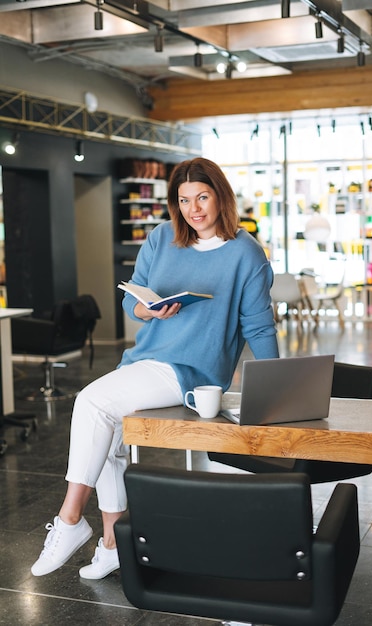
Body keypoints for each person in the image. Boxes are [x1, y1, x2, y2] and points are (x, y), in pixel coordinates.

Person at [31, 157, 279, 580]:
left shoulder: (246, 254)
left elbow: (258, 325)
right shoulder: (162, 237)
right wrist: (146, 309)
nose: (194, 209)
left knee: (92, 402)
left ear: (221, 196)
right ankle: (111, 545)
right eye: (184, 200)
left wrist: (276, 387)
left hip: (193, 371)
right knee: (106, 432)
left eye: (202, 197)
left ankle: (70, 519)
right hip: (145, 360)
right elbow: (131, 299)